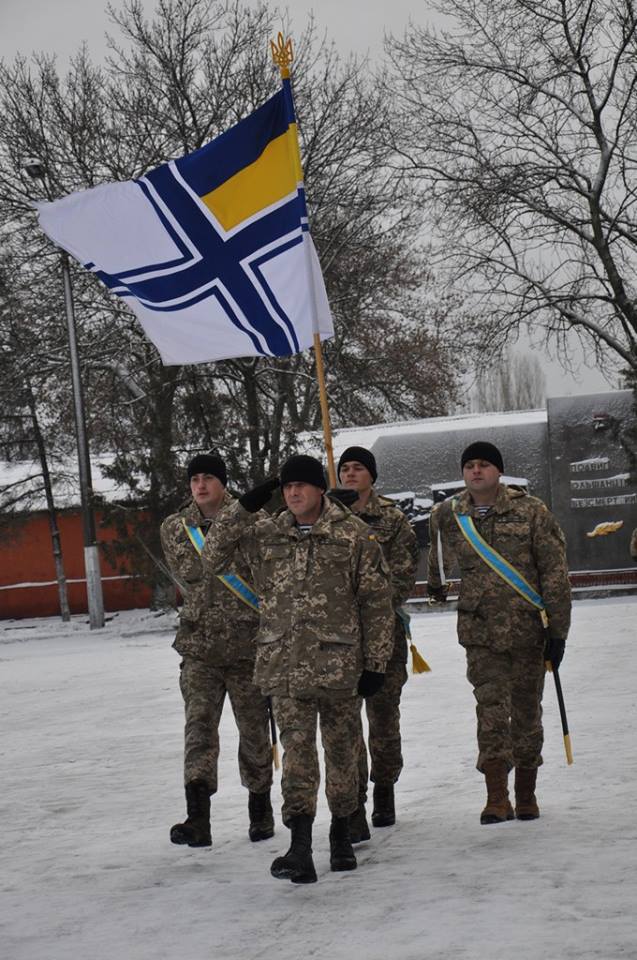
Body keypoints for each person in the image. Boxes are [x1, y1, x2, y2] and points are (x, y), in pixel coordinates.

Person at [202, 454, 395, 883]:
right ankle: (301, 846)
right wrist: (246, 504)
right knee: (297, 758)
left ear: (319, 489)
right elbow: (213, 554)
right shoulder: (267, 533)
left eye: (301, 485)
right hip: (284, 667)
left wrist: (376, 664)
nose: (293, 493)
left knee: (342, 753)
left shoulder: (353, 535)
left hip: (339, 667)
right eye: (287, 487)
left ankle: (342, 837)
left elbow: (377, 604)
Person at [427, 441, 571, 824]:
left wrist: (558, 632)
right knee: (490, 713)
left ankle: (526, 794)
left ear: (499, 471)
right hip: (480, 633)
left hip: (527, 631)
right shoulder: (449, 514)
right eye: (470, 465)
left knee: (526, 713)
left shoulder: (531, 511)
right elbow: (437, 561)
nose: (476, 471)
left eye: (484, 465)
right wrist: (434, 585)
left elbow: (554, 574)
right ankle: (496, 798)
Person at [160, 453, 274, 848]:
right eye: (195, 478)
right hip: (199, 648)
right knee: (198, 729)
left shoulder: (256, 521)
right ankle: (197, 817)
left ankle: (260, 807)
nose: (201, 485)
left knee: (255, 732)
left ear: (223, 482)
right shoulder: (175, 529)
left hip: (248, 646)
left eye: (209, 477)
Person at [337, 446, 418, 839]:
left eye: (358, 469)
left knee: (383, 719)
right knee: (345, 725)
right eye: (344, 469)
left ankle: (384, 787)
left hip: (383, 634)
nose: (350, 475)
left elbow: (402, 577)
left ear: (372, 477)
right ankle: (353, 803)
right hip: (336, 641)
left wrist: (365, 604)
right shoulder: (328, 516)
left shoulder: (393, 520)